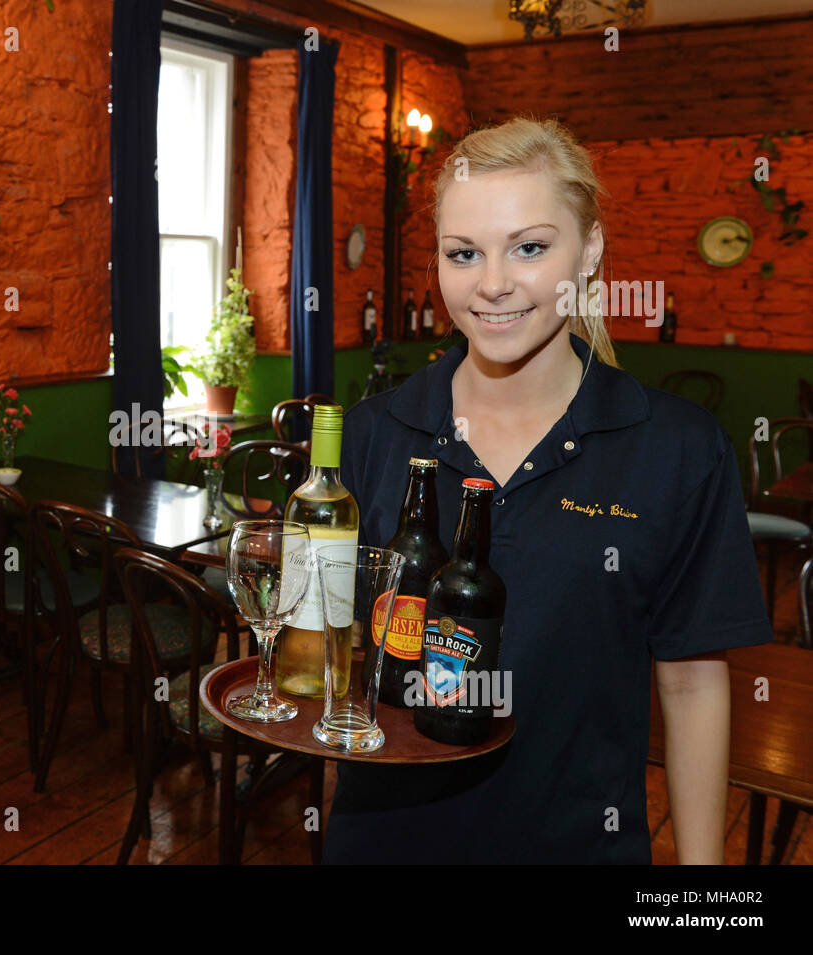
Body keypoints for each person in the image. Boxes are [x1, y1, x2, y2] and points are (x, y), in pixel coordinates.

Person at [328, 117, 772, 864]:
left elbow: (694, 685)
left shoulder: (677, 447)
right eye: (463, 253)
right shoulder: (374, 433)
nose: (493, 282)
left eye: (529, 247)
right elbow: (332, 654)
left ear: (589, 250)